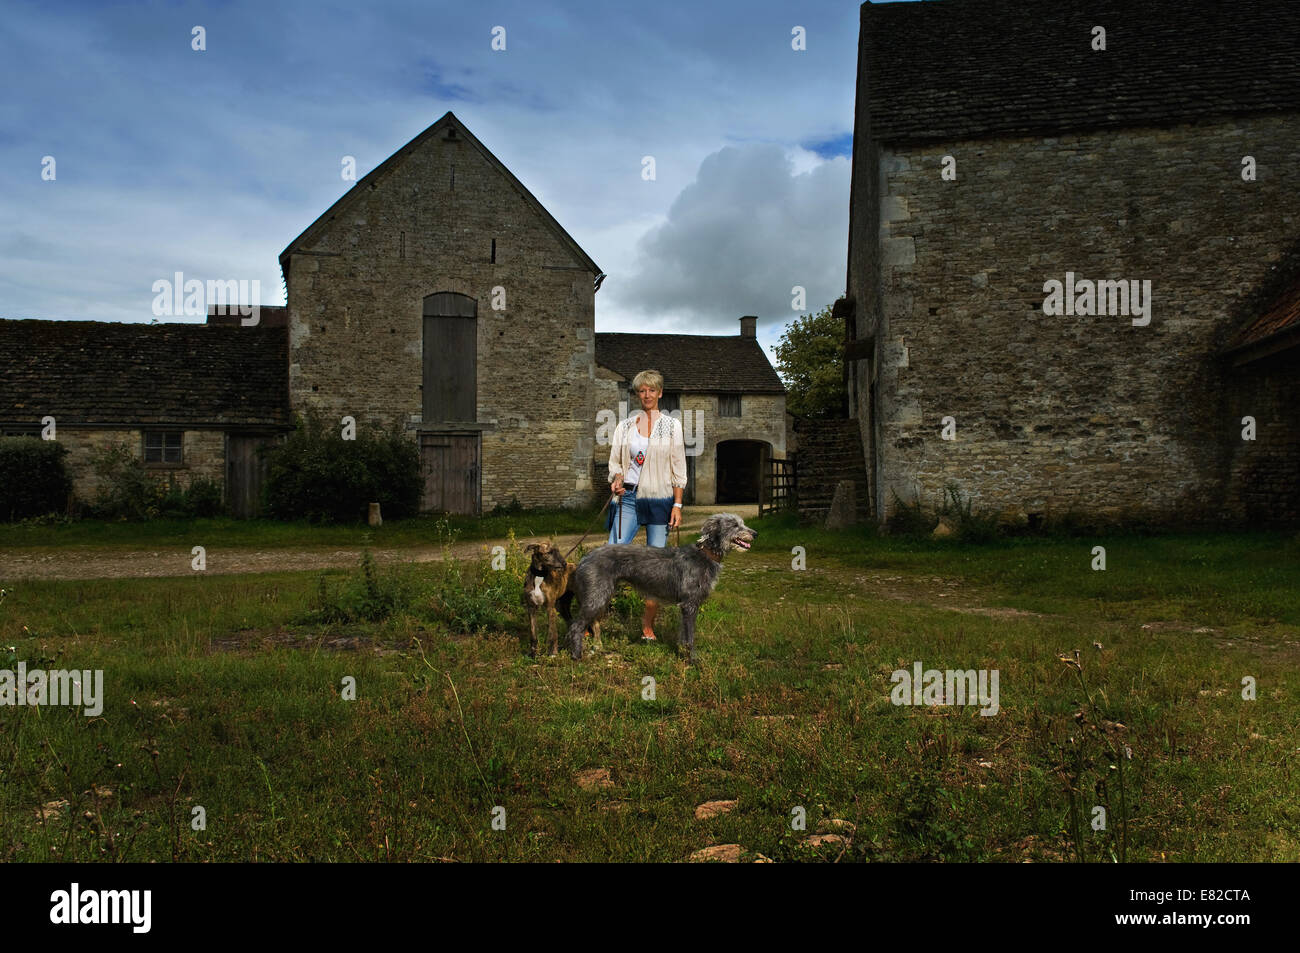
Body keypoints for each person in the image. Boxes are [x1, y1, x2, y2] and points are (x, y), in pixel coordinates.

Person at [606, 370, 688, 641]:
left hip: (659, 499)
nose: (647, 395)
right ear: (637, 394)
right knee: (610, 556)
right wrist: (616, 479)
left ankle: (647, 628)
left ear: (660, 393)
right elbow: (616, 463)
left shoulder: (672, 426)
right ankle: (591, 620)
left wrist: (677, 505)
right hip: (628, 498)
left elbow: (678, 467)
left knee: (656, 568)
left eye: (652, 390)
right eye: (642, 390)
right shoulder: (624, 426)